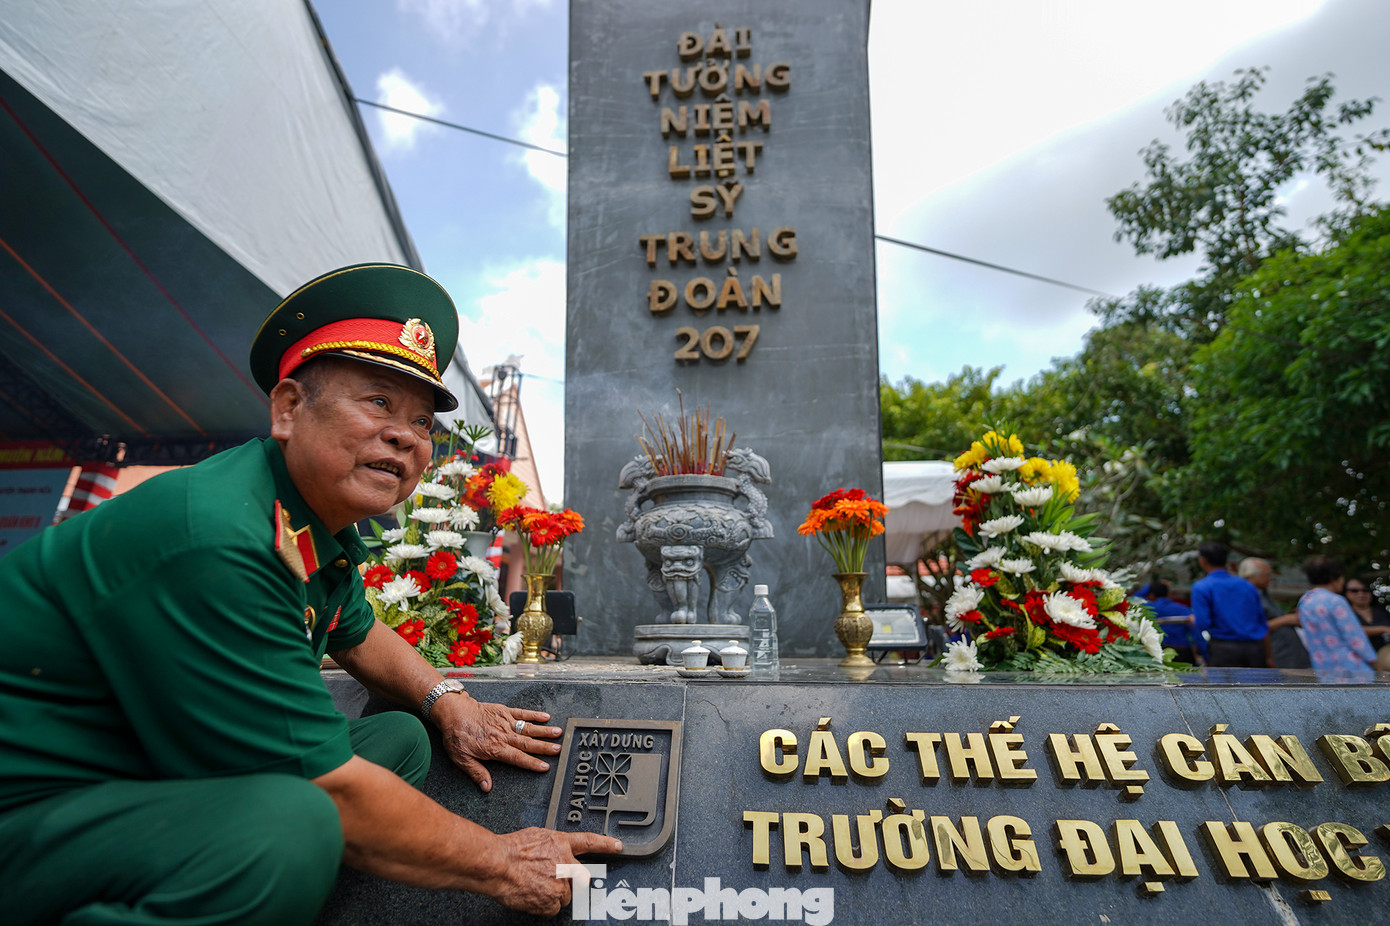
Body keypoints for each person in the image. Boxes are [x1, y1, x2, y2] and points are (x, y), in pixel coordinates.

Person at [0, 264, 619, 925]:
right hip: (37, 807)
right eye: (378, 402)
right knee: (299, 822)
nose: (406, 435)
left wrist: (450, 701)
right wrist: (503, 861)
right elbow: (333, 792)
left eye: (421, 421)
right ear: (289, 408)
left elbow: (358, 631)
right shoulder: (219, 534)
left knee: (400, 738)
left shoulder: (304, 520)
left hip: (146, 773)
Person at [1298, 556, 1379, 679]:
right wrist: (1375, 664)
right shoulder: (1336, 601)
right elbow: (1355, 637)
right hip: (1351, 669)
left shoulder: (1305, 601)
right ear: (1333, 578)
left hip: (1323, 669)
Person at [1190, 541, 1268, 667]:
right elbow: (1261, 621)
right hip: (1254, 648)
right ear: (1226, 560)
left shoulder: (1202, 587)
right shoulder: (1248, 586)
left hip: (1223, 649)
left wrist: (1193, 620)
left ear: (1203, 560)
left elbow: (1203, 622)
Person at [1237, 557, 1310, 669]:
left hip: (1291, 654)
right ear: (1252, 576)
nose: (1270, 579)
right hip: (1277, 655)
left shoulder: (1263, 593)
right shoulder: (1244, 596)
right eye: (1267, 575)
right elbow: (1252, 627)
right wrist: (1286, 619)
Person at [1143, 580, 1203, 664]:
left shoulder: (1146, 609)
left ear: (1151, 595)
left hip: (1156, 651)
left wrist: (1148, 587)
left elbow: (1133, 599)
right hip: (1182, 651)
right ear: (1168, 593)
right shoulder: (1183, 609)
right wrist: (1205, 653)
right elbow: (1195, 632)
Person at [1342, 577, 1390, 672]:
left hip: (1384, 654)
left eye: (1365, 590)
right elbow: (1351, 630)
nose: (1361, 594)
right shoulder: (1343, 613)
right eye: (1354, 591)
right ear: (1346, 593)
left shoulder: (1381, 612)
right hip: (1357, 661)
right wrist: (1383, 629)